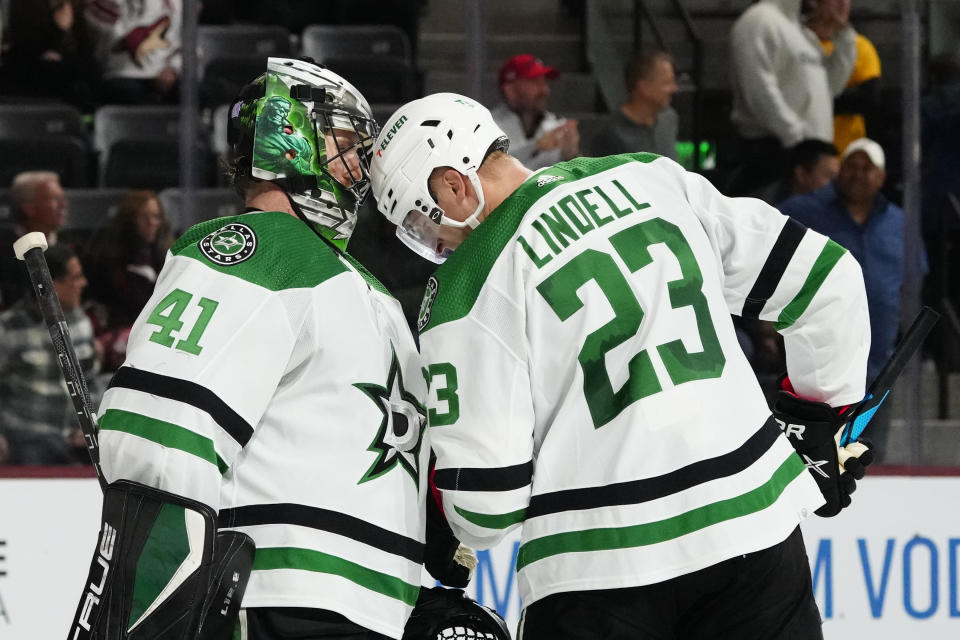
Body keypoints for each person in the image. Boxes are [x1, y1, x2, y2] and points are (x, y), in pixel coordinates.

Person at [369, 92, 875, 640]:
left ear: (453, 185)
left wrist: (451, 517)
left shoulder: (465, 289)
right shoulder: (651, 177)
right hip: (750, 528)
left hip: (594, 568)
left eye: (421, 221)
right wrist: (820, 421)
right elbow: (829, 281)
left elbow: (489, 504)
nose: (433, 243)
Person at [67, 58, 469, 640]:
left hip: (363, 607)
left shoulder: (357, 283)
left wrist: (422, 542)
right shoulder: (256, 248)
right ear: (290, 138)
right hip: (280, 596)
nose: (362, 168)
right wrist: (155, 600)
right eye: (349, 143)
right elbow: (157, 431)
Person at [778, 138, 925, 461]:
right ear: (839, 171)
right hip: (815, 356)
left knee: (869, 452)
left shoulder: (899, 222)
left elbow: (913, 281)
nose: (859, 174)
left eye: (868, 168)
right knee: (812, 453)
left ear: (882, 177)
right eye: (852, 166)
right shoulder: (803, 211)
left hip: (878, 357)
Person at [727, 0, 856, 196]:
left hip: (808, 155)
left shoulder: (802, 33)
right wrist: (796, 138)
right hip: (772, 156)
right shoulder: (758, 21)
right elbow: (758, 89)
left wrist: (843, 34)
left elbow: (831, 88)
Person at [0, 244, 98, 465]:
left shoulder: (82, 323)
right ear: (52, 284)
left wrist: (93, 423)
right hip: (27, 440)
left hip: (77, 440)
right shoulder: (8, 329)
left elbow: (92, 383)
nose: (84, 284)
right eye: (76, 278)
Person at [83, 189, 173, 370]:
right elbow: (131, 302)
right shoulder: (109, 258)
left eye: (156, 217)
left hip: (157, 329)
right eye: (144, 217)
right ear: (130, 221)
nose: (151, 223)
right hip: (119, 330)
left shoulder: (168, 255)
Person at [806, 0, 882, 154]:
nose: (843, 4)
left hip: (848, 154)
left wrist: (818, 98)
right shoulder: (797, 42)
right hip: (804, 151)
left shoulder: (859, 46)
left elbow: (867, 101)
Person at [0, 0, 101, 110]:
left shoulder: (77, 10)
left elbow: (86, 54)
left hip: (64, 74)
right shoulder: (29, 6)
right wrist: (58, 30)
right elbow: (27, 43)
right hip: (33, 72)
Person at [490, 53, 580, 170]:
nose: (544, 90)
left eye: (544, 82)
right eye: (534, 82)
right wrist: (537, 145)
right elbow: (492, 169)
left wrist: (572, 156)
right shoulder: (489, 124)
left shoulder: (556, 126)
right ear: (510, 90)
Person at [83, 0, 182, 104]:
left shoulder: (177, 4)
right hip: (121, 73)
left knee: (191, 90)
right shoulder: (103, 4)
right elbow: (107, 35)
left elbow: (187, 45)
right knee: (125, 92)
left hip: (166, 72)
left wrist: (173, 69)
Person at [588, 49, 679, 160]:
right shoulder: (611, 134)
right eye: (667, 83)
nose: (674, 89)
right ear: (644, 87)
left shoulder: (669, 118)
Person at [0, 171, 69, 310]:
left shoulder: (72, 246)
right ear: (29, 208)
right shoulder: (5, 255)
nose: (64, 205)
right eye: (55, 199)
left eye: (62, 198)